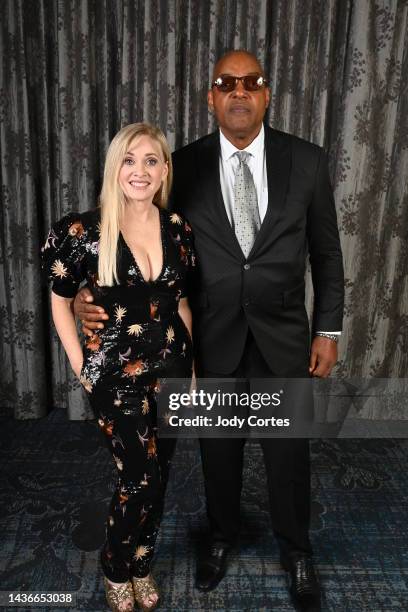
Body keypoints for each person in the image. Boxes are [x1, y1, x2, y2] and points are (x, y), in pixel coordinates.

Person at [74, 50, 344, 611]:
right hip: (209, 341)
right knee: (217, 452)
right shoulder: (182, 166)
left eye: (252, 83)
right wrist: (85, 294)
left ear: (267, 94)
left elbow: (326, 254)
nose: (239, 92)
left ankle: (296, 550)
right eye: (227, 83)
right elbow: (134, 235)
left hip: (284, 337)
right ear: (211, 97)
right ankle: (220, 539)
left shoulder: (308, 161)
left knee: (287, 455)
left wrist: (330, 331)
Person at [42, 123, 195, 612]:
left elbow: (181, 303)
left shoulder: (178, 229)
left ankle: (143, 563)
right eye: (130, 160)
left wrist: (193, 374)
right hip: (114, 373)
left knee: (163, 472)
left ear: (165, 170)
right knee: (138, 476)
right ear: (115, 168)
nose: (140, 170)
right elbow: (60, 302)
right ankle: (115, 565)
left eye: (151, 160)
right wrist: (80, 367)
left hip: (173, 365)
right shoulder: (83, 232)